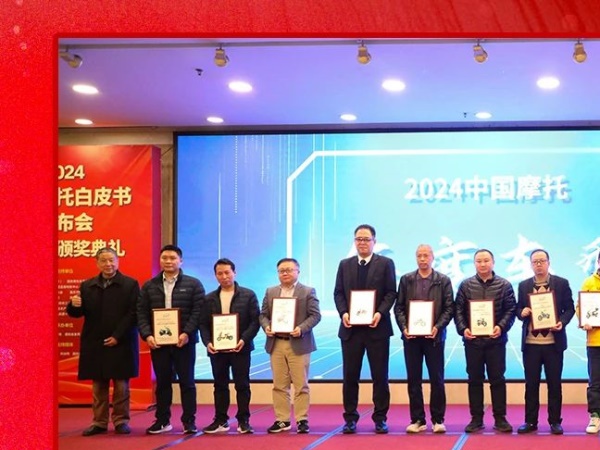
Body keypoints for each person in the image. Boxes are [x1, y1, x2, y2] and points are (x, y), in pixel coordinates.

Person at [66, 247, 140, 436]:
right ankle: (99, 422)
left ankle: (121, 421)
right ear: (97, 263)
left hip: (122, 341)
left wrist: (117, 336)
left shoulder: (130, 284)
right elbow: (77, 313)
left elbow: (133, 313)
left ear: (118, 261)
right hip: (95, 342)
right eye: (104, 261)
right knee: (98, 386)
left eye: (111, 260)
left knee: (121, 386)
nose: (108, 264)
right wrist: (73, 306)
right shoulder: (87, 285)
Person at [333, 224, 397, 434]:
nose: (362, 243)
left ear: (374, 242)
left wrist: (380, 313)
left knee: (380, 376)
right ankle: (350, 418)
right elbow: (338, 293)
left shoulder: (385, 264)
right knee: (350, 376)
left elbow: (391, 293)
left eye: (366, 239)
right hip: (351, 330)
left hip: (377, 329)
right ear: (354, 241)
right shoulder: (345, 264)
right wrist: (344, 313)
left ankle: (380, 418)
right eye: (359, 239)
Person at [137, 244, 205, 435]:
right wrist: (147, 335)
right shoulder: (149, 286)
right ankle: (162, 420)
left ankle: (189, 421)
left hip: (184, 342)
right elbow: (141, 312)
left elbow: (198, 312)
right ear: (160, 260)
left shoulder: (193, 284)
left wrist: (187, 333)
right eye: (164, 258)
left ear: (180, 261)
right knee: (163, 383)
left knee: (187, 382)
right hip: (158, 343)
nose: (168, 261)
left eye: (172, 258)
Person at [454, 248, 516, 434]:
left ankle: (500, 418)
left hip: (496, 342)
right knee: (474, 380)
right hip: (472, 342)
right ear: (474, 263)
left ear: (493, 262)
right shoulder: (465, 285)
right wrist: (463, 329)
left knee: (497, 380)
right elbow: (458, 310)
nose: (482, 264)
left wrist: (501, 327)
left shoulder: (504, 285)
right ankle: (476, 419)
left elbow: (511, 310)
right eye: (479, 261)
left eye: (486, 260)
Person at [394, 244, 454, 434]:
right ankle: (418, 420)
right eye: (419, 255)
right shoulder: (406, 280)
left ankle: (438, 420)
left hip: (434, 338)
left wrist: (437, 327)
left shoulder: (443, 280)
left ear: (432, 257)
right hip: (411, 339)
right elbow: (399, 307)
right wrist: (404, 328)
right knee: (414, 380)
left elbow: (449, 308)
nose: (422, 259)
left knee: (437, 379)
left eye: (426, 255)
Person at [259, 258, 321, 434]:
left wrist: (301, 329)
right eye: (281, 271)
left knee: (301, 385)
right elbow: (263, 315)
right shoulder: (270, 291)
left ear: (298, 271)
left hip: (299, 343)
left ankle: (302, 420)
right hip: (276, 343)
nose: (285, 273)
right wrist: (266, 326)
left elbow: (315, 315)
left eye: (289, 270)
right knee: (279, 385)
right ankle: (282, 420)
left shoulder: (308, 291)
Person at [516, 249, 574, 435]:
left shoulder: (561, 283)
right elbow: (518, 309)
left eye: (542, 261)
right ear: (531, 264)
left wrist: (561, 322)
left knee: (554, 384)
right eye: (535, 262)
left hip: (553, 344)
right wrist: (522, 312)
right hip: (531, 344)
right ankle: (530, 421)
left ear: (549, 262)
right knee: (531, 384)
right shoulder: (524, 285)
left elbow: (570, 309)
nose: (539, 264)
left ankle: (555, 421)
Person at [199, 258, 260, 434]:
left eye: (227, 272)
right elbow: (203, 324)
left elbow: (255, 321)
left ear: (234, 272)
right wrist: (208, 342)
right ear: (215, 276)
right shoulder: (209, 298)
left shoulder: (248, 295)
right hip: (217, 350)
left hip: (241, 348)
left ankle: (243, 420)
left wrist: (244, 340)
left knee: (242, 385)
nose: (224, 276)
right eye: (220, 273)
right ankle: (220, 420)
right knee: (219, 385)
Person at [580, 251, 600, 434]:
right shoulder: (589, 282)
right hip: (595, 341)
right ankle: (595, 416)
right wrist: (584, 320)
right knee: (595, 381)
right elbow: (580, 307)